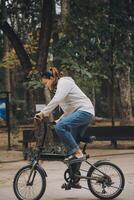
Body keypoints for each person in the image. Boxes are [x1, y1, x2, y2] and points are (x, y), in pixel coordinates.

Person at [35, 67, 95, 161]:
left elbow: (57, 99)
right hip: (82, 113)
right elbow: (69, 111)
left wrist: (43, 113)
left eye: (46, 83)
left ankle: (78, 153)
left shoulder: (63, 83)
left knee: (60, 127)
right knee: (73, 149)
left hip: (84, 111)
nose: (46, 86)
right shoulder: (60, 90)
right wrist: (58, 120)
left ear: (51, 78)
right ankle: (75, 173)